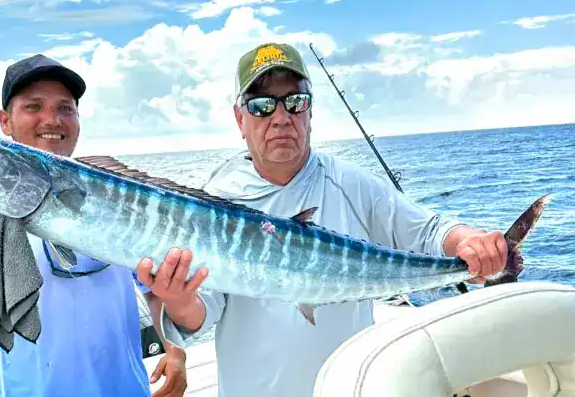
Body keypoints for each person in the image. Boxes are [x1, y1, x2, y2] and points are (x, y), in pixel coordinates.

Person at [135, 42, 509, 396]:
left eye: (295, 102)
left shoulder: (350, 182)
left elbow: (428, 231)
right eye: (263, 105)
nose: (281, 118)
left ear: (310, 111)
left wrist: (468, 241)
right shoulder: (214, 201)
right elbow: (202, 311)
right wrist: (177, 300)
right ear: (239, 118)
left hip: (350, 388)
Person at [0, 54, 187, 396]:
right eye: (33, 106)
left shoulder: (115, 198)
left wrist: (175, 351)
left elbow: (155, 288)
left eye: (65, 108)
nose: (51, 120)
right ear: (5, 121)